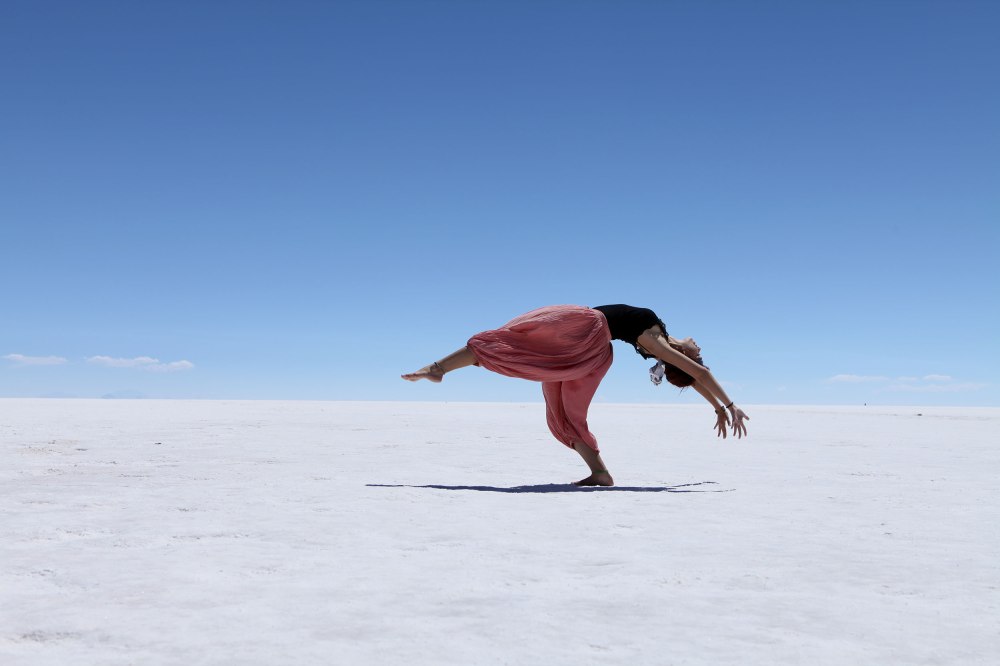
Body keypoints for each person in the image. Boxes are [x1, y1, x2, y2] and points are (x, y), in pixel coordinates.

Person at [402, 304, 749, 486]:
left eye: (697, 352)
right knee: (562, 413)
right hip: (588, 341)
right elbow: (698, 374)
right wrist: (716, 407)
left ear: (685, 358)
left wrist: (728, 405)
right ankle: (600, 473)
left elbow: (700, 374)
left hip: (587, 336)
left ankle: (438, 369)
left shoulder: (654, 341)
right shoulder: (662, 337)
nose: (699, 347)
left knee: (512, 343)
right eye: (699, 350)